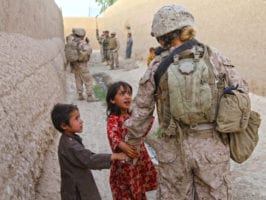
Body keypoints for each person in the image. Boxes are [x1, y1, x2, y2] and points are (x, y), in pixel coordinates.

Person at [124, 4, 249, 200]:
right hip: (212, 148)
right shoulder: (214, 56)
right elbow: (241, 92)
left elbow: (141, 111)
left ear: (163, 35)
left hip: (173, 149)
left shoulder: (157, 66)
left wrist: (132, 143)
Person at [50, 103, 128, 200]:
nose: (81, 121)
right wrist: (115, 156)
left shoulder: (68, 139)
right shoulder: (70, 146)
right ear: (64, 125)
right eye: (76, 119)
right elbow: (89, 159)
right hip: (78, 191)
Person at [106, 81, 157, 200]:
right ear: (112, 100)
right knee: (126, 192)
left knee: (138, 189)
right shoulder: (114, 119)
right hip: (125, 163)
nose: (127, 96)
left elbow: (142, 132)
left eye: (129, 93)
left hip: (138, 160)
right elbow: (113, 135)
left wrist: (147, 119)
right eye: (122, 94)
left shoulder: (133, 116)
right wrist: (123, 146)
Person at [66, 28, 99, 102]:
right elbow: (88, 51)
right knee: (88, 79)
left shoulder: (71, 42)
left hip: (74, 64)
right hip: (81, 64)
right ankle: (90, 96)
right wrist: (87, 44)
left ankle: (80, 95)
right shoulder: (81, 43)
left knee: (78, 79)